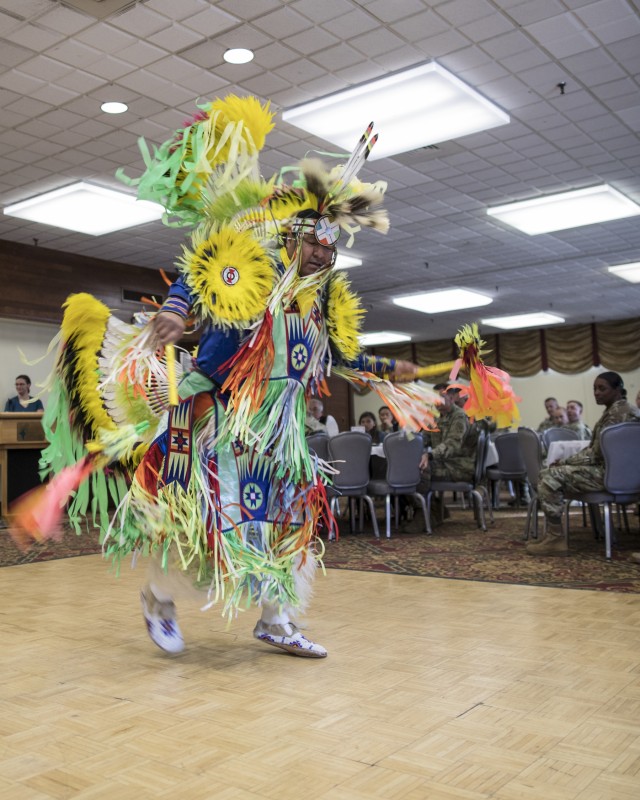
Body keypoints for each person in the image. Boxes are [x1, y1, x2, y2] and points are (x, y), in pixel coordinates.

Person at [24, 97, 429, 661]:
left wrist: (390, 369)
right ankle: (159, 599)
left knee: (284, 525)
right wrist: (174, 309)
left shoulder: (322, 303)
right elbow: (200, 271)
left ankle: (276, 620)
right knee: (201, 523)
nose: (323, 254)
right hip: (216, 418)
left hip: (279, 436)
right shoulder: (254, 276)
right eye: (315, 241)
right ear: (293, 238)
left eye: (330, 247)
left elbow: (343, 356)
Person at [527, 371, 640, 557]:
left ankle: (555, 539)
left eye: (602, 388)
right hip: (629, 475)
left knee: (548, 475)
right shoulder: (626, 410)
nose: (596, 392)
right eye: (595, 388)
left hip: (611, 475)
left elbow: (595, 454)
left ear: (618, 389)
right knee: (555, 472)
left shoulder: (616, 415)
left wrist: (563, 462)